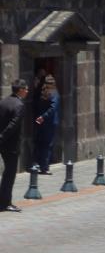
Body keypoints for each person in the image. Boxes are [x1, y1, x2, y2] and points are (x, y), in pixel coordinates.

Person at [0, 79, 28, 213]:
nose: (27, 91)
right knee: (9, 175)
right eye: (26, 89)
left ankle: (3, 200)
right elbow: (13, 125)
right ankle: (5, 203)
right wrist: (2, 137)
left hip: (3, 145)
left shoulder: (3, 101)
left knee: (6, 173)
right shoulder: (19, 105)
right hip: (11, 145)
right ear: (20, 90)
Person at [32, 75, 59, 175]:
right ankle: (45, 167)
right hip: (49, 122)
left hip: (41, 122)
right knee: (48, 145)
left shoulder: (41, 92)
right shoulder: (54, 93)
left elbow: (36, 105)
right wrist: (43, 116)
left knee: (40, 143)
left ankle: (36, 163)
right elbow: (53, 108)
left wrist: (39, 117)